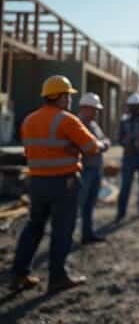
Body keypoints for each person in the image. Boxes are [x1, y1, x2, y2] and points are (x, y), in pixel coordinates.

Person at [11, 75, 104, 293]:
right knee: (62, 231)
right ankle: (58, 277)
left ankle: (19, 274)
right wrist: (89, 145)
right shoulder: (67, 120)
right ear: (61, 97)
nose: (70, 100)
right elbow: (92, 148)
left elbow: (33, 150)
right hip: (64, 183)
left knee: (33, 228)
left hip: (37, 183)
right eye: (68, 96)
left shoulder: (29, 120)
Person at [115, 92, 139, 222]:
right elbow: (120, 139)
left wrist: (136, 140)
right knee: (125, 185)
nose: (134, 109)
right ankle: (121, 213)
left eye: (136, 106)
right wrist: (128, 144)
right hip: (129, 157)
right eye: (132, 106)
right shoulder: (124, 121)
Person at [77, 92, 111, 244]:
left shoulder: (94, 125)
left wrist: (101, 144)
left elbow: (102, 142)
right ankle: (65, 239)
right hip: (84, 171)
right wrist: (101, 145)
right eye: (94, 109)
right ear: (85, 108)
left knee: (90, 205)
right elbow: (91, 147)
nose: (96, 112)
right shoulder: (78, 125)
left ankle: (87, 234)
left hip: (95, 169)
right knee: (78, 205)